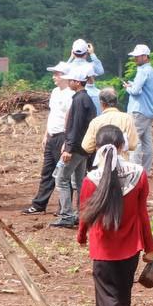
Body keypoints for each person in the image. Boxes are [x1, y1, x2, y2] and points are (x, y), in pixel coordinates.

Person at [76, 125, 153, 306]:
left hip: (103, 247)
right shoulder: (139, 174)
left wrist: (81, 236)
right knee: (123, 294)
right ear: (122, 146)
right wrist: (149, 246)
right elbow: (142, 214)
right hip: (131, 246)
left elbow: (84, 214)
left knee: (108, 296)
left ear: (97, 148)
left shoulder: (91, 179)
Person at [52, 65, 98, 229]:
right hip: (84, 148)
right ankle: (81, 214)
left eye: (71, 80)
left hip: (76, 148)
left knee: (61, 179)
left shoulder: (79, 100)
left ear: (77, 82)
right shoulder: (86, 99)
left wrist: (68, 148)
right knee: (78, 182)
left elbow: (76, 126)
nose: (69, 82)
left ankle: (66, 215)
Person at [25, 62, 73, 215]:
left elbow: (70, 119)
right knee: (47, 172)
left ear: (65, 76)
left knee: (63, 174)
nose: (54, 77)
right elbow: (52, 114)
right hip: (52, 136)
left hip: (62, 136)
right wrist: (46, 134)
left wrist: (66, 141)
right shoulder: (55, 92)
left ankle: (63, 208)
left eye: (56, 74)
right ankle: (39, 204)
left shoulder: (71, 94)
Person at [124, 44, 153, 171]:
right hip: (149, 111)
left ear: (145, 56)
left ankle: (135, 170)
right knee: (147, 142)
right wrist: (133, 86)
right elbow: (143, 89)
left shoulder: (142, 71)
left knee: (135, 141)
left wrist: (128, 88)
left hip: (138, 110)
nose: (135, 58)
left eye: (138, 56)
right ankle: (146, 170)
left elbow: (135, 91)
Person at [83, 87, 139, 154]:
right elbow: (132, 145)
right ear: (116, 102)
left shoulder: (95, 121)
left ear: (102, 103)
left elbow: (87, 147)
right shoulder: (127, 118)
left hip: (102, 159)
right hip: (122, 159)